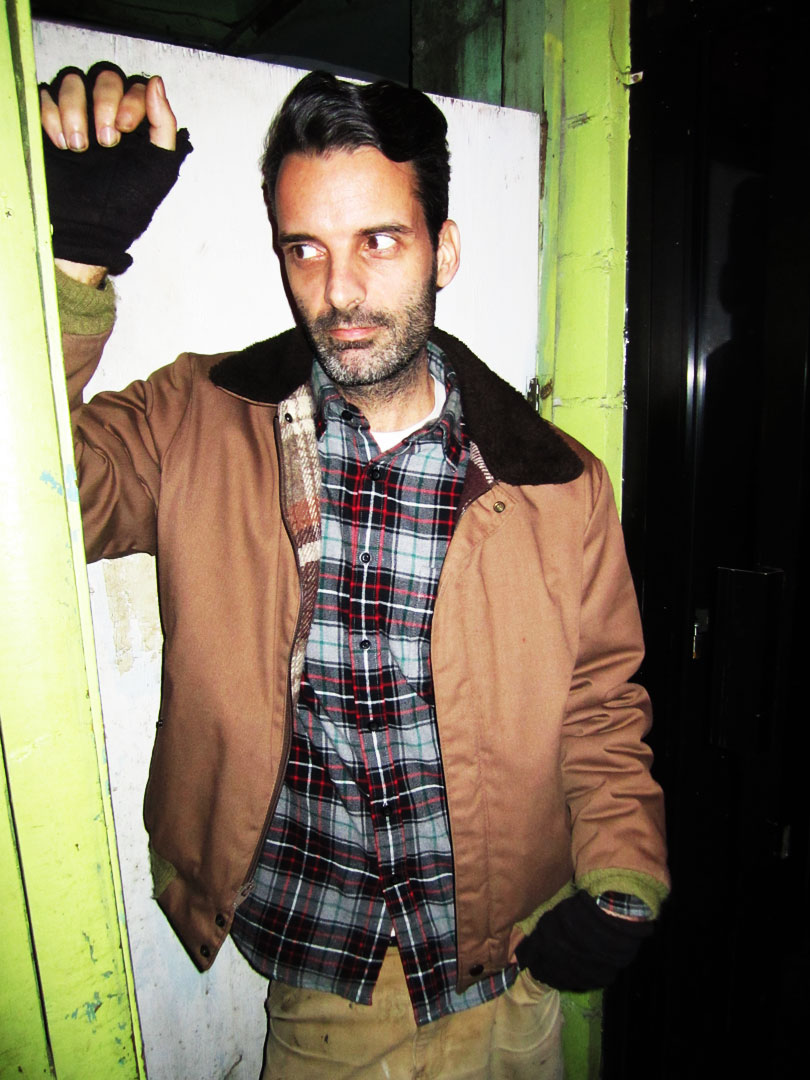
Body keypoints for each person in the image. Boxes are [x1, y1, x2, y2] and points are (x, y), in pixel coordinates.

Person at [40, 63, 669, 1079]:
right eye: (306, 249)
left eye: (379, 241)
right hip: (326, 993)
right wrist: (76, 261)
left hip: (511, 974)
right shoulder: (195, 423)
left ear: (442, 249)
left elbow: (600, 703)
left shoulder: (556, 483)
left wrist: (623, 878)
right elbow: (33, 500)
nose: (338, 292)